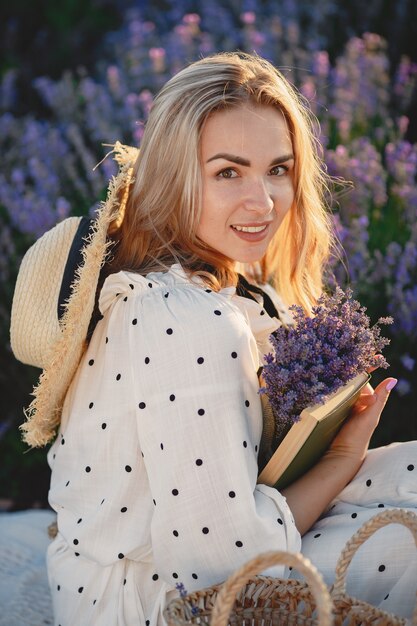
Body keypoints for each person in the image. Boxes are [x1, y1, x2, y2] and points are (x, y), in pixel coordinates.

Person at [10, 52, 417, 626]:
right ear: (176, 178)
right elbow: (229, 569)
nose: (265, 201)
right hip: (153, 604)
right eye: (228, 172)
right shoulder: (183, 319)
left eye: (278, 168)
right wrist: (343, 456)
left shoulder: (209, 285)